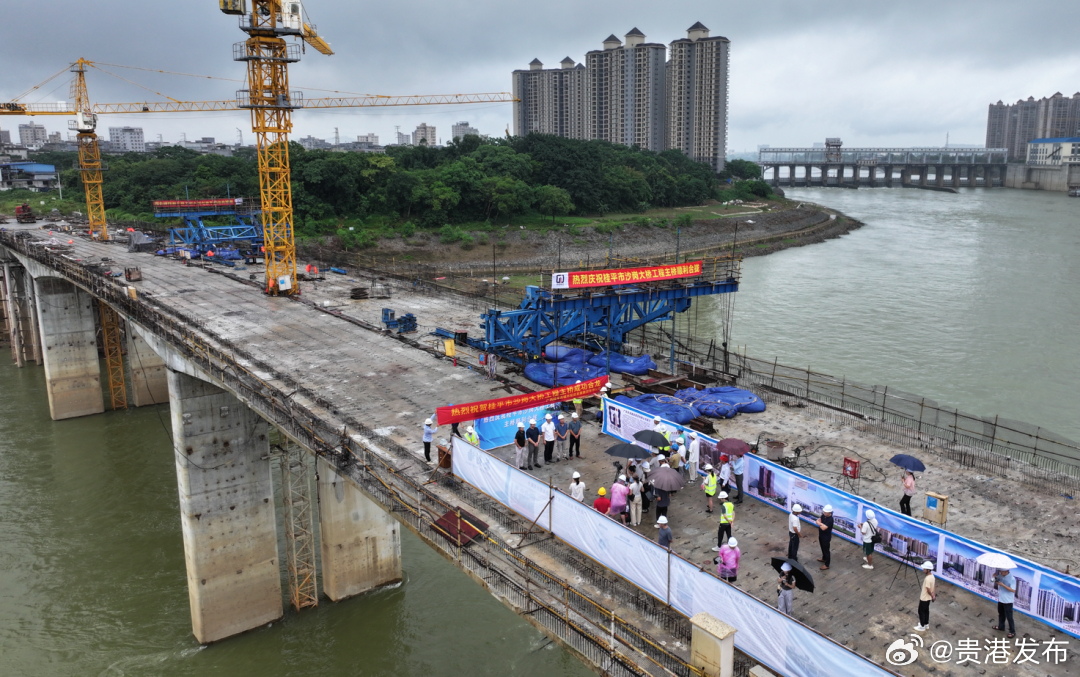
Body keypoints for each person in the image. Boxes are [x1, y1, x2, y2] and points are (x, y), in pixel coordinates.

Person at [992, 568, 1017, 638]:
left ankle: (1012, 631)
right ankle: (1001, 626)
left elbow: (1013, 590)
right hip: (1001, 599)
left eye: (1002, 572)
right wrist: (993, 577)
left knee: (1009, 617)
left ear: (1006, 572)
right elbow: (992, 581)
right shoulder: (1000, 576)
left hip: (1008, 601)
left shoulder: (1012, 579)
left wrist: (1003, 585)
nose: (1000, 573)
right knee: (1001, 614)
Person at [915, 560, 936, 631]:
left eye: (924, 569)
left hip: (924, 598)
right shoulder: (932, 577)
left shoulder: (927, 578)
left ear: (928, 570)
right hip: (928, 598)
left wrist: (931, 595)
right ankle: (926, 624)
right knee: (926, 611)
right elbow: (933, 587)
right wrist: (933, 596)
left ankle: (922, 626)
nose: (923, 570)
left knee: (921, 611)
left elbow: (928, 589)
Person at [815, 505, 834, 570]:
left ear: (830, 513)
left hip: (826, 537)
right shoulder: (823, 516)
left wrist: (820, 524)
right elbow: (817, 520)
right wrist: (820, 523)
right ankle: (824, 558)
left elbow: (823, 528)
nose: (824, 513)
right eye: (824, 512)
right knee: (822, 548)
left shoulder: (830, 520)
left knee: (826, 550)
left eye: (826, 512)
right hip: (821, 535)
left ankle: (827, 564)